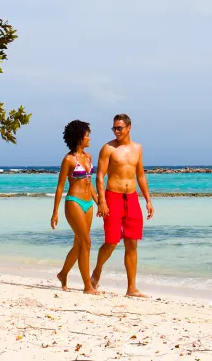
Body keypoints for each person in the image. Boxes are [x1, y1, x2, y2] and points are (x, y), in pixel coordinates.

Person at [91, 113, 154, 297]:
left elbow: (140, 175)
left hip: (132, 197)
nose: (116, 131)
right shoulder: (108, 148)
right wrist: (102, 201)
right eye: (114, 128)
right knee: (111, 241)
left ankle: (131, 288)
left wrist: (148, 200)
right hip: (113, 196)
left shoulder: (138, 148)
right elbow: (100, 176)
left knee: (132, 243)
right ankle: (97, 271)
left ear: (129, 128)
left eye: (119, 128)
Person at [51, 119, 99, 294]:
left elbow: (90, 183)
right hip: (74, 202)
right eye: (87, 135)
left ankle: (63, 274)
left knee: (80, 244)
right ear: (79, 137)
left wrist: (99, 202)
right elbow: (60, 186)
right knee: (87, 241)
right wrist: (55, 212)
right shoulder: (68, 159)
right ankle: (88, 286)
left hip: (88, 204)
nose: (89, 139)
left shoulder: (89, 157)